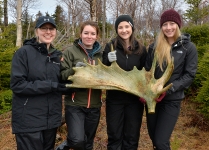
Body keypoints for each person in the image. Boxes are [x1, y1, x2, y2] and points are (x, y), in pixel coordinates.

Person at [10, 16, 70, 150]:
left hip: (51, 121)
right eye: (44, 28)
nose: (48, 32)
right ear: (37, 31)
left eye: (51, 28)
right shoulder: (23, 53)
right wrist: (51, 86)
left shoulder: (56, 56)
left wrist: (70, 83)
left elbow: (59, 81)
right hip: (29, 121)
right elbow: (18, 85)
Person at [145, 9, 198, 150]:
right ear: (161, 27)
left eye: (172, 23)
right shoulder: (154, 47)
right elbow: (147, 72)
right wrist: (145, 92)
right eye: (165, 24)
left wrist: (169, 89)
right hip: (153, 101)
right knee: (154, 139)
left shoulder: (188, 48)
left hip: (172, 100)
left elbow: (189, 75)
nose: (168, 28)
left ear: (178, 25)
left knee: (161, 141)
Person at [102, 14, 147, 150]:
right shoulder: (110, 46)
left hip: (134, 100)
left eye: (127, 26)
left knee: (131, 136)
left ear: (132, 28)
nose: (124, 30)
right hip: (115, 99)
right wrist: (107, 61)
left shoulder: (141, 49)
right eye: (120, 27)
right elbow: (103, 72)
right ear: (117, 30)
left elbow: (145, 73)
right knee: (115, 135)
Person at [56, 21, 103, 150]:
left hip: (94, 105)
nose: (89, 36)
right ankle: (66, 145)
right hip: (75, 103)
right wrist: (74, 70)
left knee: (88, 143)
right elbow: (61, 74)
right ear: (80, 34)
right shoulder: (70, 52)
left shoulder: (101, 55)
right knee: (77, 140)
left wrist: (110, 61)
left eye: (93, 33)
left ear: (97, 36)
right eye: (86, 33)